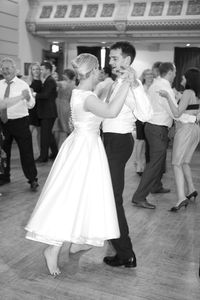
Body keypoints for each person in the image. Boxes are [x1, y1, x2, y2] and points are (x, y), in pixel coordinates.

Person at [25, 53, 134, 276]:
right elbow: (111, 112)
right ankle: (53, 248)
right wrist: (126, 84)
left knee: (82, 196)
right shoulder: (87, 96)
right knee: (73, 197)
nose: (101, 73)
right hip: (85, 149)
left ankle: (76, 242)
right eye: (99, 71)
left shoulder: (81, 93)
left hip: (82, 146)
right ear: (92, 71)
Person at [102, 41, 153, 268]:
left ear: (126, 60)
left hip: (119, 143)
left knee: (112, 199)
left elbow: (147, 114)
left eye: (114, 58)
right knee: (107, 197)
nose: (110, 62)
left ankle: (126, 253)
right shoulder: (116, 82)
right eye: (110, 58)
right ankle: (120, 248)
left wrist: (137, 86)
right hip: (109, 141)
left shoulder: (131, 85)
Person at [131, 62, 198, 209]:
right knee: (155, 162)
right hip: (157, 128)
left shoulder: (158, 85)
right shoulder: (164, 87)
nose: (176, 75)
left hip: (155, 127)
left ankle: (156, 185)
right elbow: (175, 113)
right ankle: (139, 196)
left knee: (158, 161)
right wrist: (193, 119)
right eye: (175, 72)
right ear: (170, 72)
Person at [159, 67, 200, 211]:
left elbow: (176, 113)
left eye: (183, 78)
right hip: (195, 129)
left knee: (176, 163)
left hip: (185, 130)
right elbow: (191, 109)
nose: (181, 79)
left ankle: (181, 198)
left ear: (189, 79)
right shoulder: (195, 93)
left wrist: (168, 97)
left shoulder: (188, 92)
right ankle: (191, 190)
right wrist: (177, 97)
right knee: (184, 162)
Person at [0, 57, 38, 191]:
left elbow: (32, 105)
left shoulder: (23, 84)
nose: (5, 71)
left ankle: (32, 179)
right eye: (3, 68)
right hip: (3, 123)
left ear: (14, 69)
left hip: (20, 122)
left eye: (7, 68)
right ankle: (4, 176)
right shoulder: (0, 84)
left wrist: (28, 98)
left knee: (26, 152)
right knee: (4, 152)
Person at [35, 61, 58, 163]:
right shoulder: (47, 80)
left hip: (48, 112)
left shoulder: (50, 81)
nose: (40, 71)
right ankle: (55, 153)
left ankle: (43, 157)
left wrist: (35, 94)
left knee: (45, 135)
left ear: (48, 70)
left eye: (42, 69)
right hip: (47, 112)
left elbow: (46, 95)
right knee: (48, 134)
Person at [133, 69, 154, 175]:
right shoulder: (142, 87)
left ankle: (144, 164)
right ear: (144, 76)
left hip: (151, 118)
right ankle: (139, 164)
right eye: (147, 74)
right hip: (141, 117)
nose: (150, 76)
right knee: (140, 141)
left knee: (147, 142)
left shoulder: (154, 87)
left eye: (151, 74)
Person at [52, 69, 76, 149]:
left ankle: (61, 150)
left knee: (61, 129)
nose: (62, 75)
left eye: (64, 74)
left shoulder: (64, 83)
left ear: (66, 75)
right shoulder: (74, 84)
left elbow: (52, 83)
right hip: (67, 106)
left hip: (60, 106)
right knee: (64, 129)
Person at [27, 62, 42, 155]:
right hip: (32, 110)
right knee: (28, 134)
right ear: (31, 71)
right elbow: (29, 97)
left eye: (37, 69)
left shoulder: (43, 81)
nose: (36, 71)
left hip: (41, 109)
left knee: (40, 134)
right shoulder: (29, 82)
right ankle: (27, 153)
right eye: (33, 69)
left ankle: (41, 153)